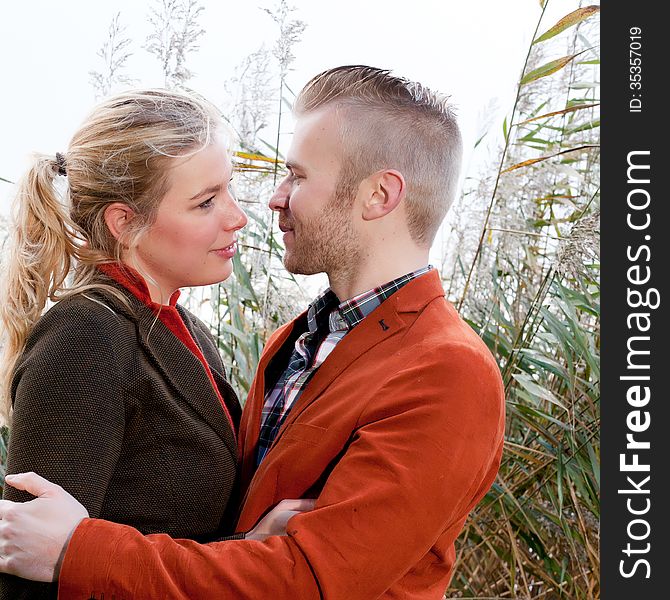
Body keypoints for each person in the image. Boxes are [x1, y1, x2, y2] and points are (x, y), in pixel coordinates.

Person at [0, 66, 506, 599]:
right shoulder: (293, 343)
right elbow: (28, 551)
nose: (269, 201)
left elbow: (309, 579)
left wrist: (83, 553)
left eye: (299, 176)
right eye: (206, 199)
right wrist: (247, 541)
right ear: (125, 221)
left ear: (379, 194)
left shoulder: (446, 371)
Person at [0, 88, 309, 599]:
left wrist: (248, 546)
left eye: (227, 189)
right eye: (205, 202)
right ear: (125, 223)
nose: (237, 217)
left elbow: (157, 538)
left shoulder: (182, 330)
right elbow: (26, 572)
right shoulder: (87, 336)